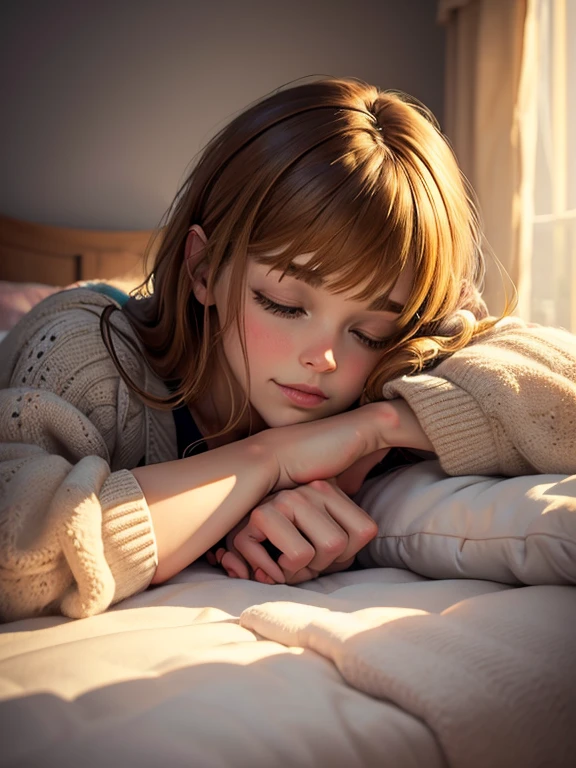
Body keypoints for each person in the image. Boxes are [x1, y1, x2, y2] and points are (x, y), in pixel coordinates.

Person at [1, 77, 575, 622]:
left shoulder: (400, 348)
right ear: (203, 269)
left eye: (368, 331)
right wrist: (268, 459)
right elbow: (18, 556)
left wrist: (374, 426)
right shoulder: (85, 351)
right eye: (283, 303)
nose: (324, 358)